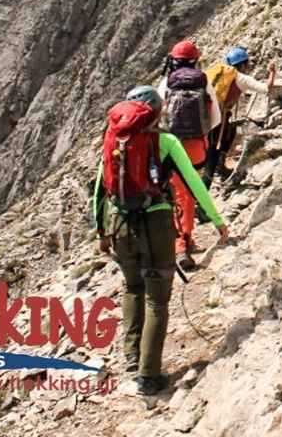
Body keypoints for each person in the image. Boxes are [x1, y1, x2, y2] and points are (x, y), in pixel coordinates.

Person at [92, 86, 228, 396]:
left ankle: (131, 357)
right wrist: (217, 220)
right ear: (156, 111)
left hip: (119, 222)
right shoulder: (165, 142)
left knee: (131, 288)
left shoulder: (114, 138)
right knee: (156, 298)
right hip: (155, 224)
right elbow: (193, 182)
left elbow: (101, 190)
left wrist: (101, 233)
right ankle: (148, 376)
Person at [156, 40, 222, 270]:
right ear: (195, 60)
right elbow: (216, 118)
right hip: (197, 147)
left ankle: (180, 244)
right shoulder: (203, 80)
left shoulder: (166, 83)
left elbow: (157, 118)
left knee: (175, 194)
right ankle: (185, 239)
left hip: (170, 147)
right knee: (188, 194)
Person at [202, 47, 276, 181]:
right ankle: (213, 173)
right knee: (216, 147)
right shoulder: (241, 78)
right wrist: (272, 72)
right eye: (247, 63)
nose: (248, 66)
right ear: (243, 64)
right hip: (221, 116)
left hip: (207, 112)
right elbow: (266, 88)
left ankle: (216, 165)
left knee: (229, 132)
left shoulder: (220, 73)